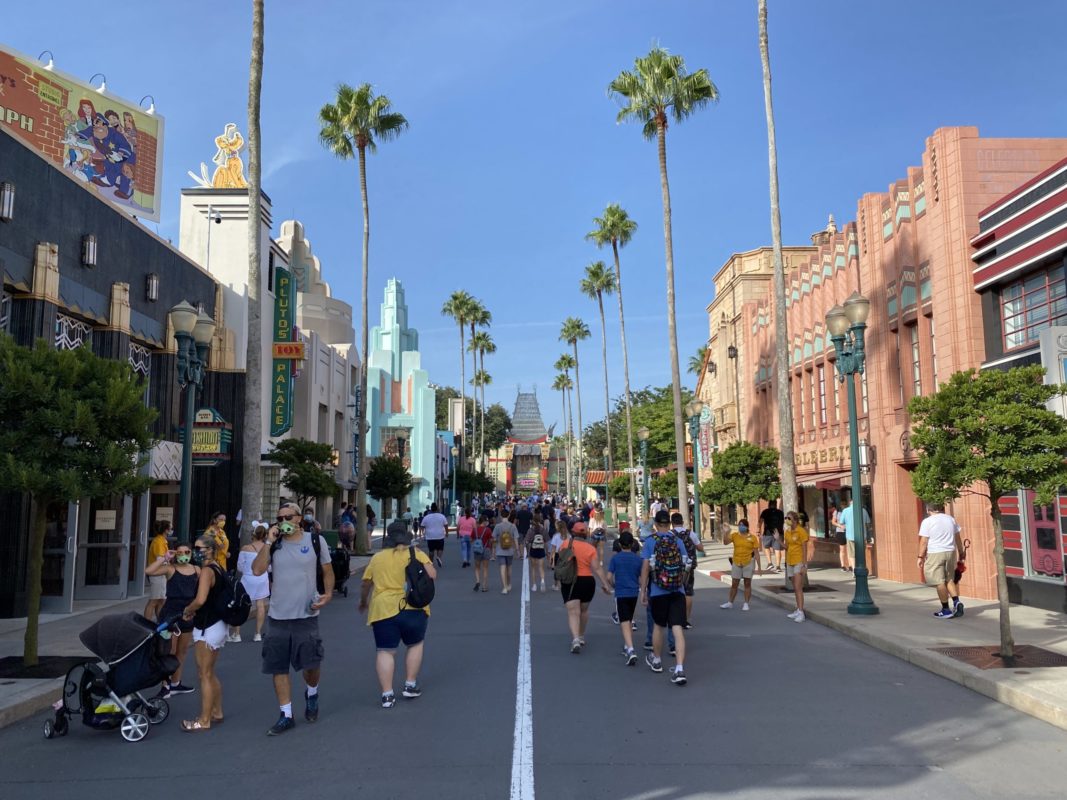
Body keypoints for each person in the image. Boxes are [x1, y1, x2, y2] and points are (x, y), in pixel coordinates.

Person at [251, 502, 333, 736]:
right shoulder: (274, 545)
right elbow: (257, 570)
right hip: (278, 617)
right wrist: (268, 542)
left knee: (311, 664)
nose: (283, 521)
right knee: (278, 667)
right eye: (279, 518)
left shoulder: (315, 541)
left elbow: (327, 570)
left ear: (299, 519)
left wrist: (327, 595)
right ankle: (286, 714)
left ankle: (312, 692)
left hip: (306, 615)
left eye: (288, 516)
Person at [359, 519, 437, 708]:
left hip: (383, 609)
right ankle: (410, 684)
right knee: (415, 644)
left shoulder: (378, 558)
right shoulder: (416, 553)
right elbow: (432, 574)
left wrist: (364, 601)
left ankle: (387, 695)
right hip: (413, 607)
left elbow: (366, 583)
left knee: (385, 651)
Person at [179, 532, 228, 731]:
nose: (196, 552)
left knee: (204, 674)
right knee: (208, 672)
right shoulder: (219, 568)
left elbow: (200, 600)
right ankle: (216, 711)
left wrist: (187, 610)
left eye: (199, 549)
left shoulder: (207, 571)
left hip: (208, 625)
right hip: (216, 623)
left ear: (210, 550)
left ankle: (204, 719)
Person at [640, 509, 689, 685]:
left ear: (655, 524)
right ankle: (680, 669)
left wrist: (643, 591)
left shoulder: (650, 542)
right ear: (668, 524)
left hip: (658, 590)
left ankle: (657, 660)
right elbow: (686, 565)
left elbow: (645, 568)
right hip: (677, 590)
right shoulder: (677, 541)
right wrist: (681, 583)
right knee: (677, 630)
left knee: (659, 627)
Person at [146, 541, 198, 697]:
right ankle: (165, 685)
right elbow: (149, 571)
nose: (184, 555)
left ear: (191, 553)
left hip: (188, 613)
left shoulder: (197, 569)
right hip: (170, 614)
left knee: (182, 651)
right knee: (168, 650)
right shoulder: (171, 569)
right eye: (180, 553)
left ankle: (176, 683)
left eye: (187, 552)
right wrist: (163, 558)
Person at [557, 522, 610, 653]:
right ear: (586, 534)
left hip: (570, 580)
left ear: (573, 533)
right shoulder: (590, 549)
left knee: (573, 611)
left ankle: (575, 640)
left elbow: (560, 562)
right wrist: (605, 583)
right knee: (584, 611)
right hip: (587, 581)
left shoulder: (565, 545)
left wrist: (557, 580)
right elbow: (597, 568)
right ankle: (581, 635)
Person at [917, 503, 965, 619]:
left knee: (939, 582)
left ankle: (945, 609)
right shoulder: (950, 519)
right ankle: (956, 602)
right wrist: (961, 552)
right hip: (950, 552)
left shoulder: (927, 522)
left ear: (928, 509)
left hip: (935, 553)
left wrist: (920, 557)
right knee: (949, 579)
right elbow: (957, 537)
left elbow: (924, 541)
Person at [606, 530, 643, 665]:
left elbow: (609, 577)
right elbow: (641, 577)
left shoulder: (615, 559)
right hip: (633, 592)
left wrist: (613, 585)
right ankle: (628, 645)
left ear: (620, 544)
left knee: (624, 621)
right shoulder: (637, 559)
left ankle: (631, 649)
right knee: (630, 618)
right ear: (632, 544)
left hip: (621, 592)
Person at [238, 523, 271, 642]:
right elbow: (270, 567)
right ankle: (257, 633)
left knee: (241, 604)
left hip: (247, 578)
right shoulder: (267, 549)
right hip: (262, 578)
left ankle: (236, 634)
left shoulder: (245, 548)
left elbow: (240, 566)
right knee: (260, 604)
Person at [671, 512, 705, 627]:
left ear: (672, 523)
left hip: (673, 567)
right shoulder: (691, 533)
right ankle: (685, 619)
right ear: (683, 522)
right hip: (688, 567)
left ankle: (674, 617)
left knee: (674, 592)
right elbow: (700, 548)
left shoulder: (670, 534)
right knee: (688, 592)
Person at [719, 519, 761, 611]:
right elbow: (725, 543)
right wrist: (725, 533)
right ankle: (730, 602)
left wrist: (759, 567)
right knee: (734, 583)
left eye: (743, 525)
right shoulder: (735, 535)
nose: (741, 526)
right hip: (737, 561)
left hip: (748, 562)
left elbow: (756, 553)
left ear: (747, 527)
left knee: (747, 583)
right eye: (739, 525)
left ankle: (746, 603)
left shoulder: (752, 538)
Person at [783, 511, 810, 622]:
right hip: (790, 561)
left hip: (799, 561)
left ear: (794, 519)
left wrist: (804, 564)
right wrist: (778, 539)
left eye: (788, 518)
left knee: (798, 587)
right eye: (786, 518)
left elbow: (805, 548)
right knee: (795, 587)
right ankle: (798, 610)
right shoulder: (787, 532)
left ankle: (801, 612)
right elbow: (786, 547)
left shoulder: (801, 531)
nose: (787, 520)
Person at [144, 520, 172, 621]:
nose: (172, 530)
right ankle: (146, 623)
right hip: (157, 574)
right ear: (166, 530)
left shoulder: (162, 541)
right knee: (154, 600)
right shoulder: (159, 542)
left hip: (161, 574)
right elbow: (160, 559)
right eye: (171, 528)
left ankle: (160, 622)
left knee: (162, 600)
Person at [840, 494, 871, 574]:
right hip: (862, 536)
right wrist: (869, 536)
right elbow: (868, 524)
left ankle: (854, 570)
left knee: (852, 554)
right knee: (861, 553)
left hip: (850, 535)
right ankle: (862, 567)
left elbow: (841, 523)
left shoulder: (845, 511)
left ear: (850, 502)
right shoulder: (863, 510)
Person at [493, 511, 520, 594]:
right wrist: (517, 550)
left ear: (501, 516)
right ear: (508, 516)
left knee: (502, 568)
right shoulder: (513, 526)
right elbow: (516, 538)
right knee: (509, 568)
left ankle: (504, 587)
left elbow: (494, 539)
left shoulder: (497, 526)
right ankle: (508, 583)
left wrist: (493, 551)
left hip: (500, 549)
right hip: (510, 550)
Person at [759, 500, 784, 572]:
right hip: (778, 533)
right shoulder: (780, 512)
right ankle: (778, 567)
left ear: (769, 504)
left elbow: (760, 521)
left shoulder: (765, 511)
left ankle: (770, 563)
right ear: (776, 505)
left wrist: (758, 530)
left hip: (767, 533)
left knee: (766, 547)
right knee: (777, 549)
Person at [526, 512, 548, 592]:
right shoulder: (543, 529)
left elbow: (527, 541)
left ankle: (534, 585)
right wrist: (547, 551)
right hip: (541, 549)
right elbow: (546, 541)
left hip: (533, 549)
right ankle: (542, 581)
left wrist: (528, 551)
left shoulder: (531, 530)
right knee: (541, 567)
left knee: (533, 568)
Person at [421, 503, 449, 567]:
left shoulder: (426, 517)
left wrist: (423, 533)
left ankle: (431, 562)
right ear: (437, 509)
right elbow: (446, 525)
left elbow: (422, 526)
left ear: (431, 509)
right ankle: (438, 557)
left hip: (430, 536)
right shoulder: (442, 516)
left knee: (431, 550)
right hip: (440, 535)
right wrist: (447, 533)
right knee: (440, 549)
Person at [472, 514, 495, 592]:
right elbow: (491, 540)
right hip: (486, 549)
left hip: (477, 550)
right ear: (484, 521)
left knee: (477, 567)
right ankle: (484, 586)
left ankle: (478, 581)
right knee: (485, 568)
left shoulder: (475, 530)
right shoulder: (488, 530)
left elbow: (471, 539)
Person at [831, 502, 850, 571]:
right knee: (842, 549)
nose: (843, 505)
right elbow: (833, 522)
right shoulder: (837, 512)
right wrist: (840, 526)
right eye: (842, 504)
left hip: (849, 531)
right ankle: (843, 565)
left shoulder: (849, 511)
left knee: (849, 549)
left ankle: (849, 565)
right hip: (840, 532)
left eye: (844, 504)